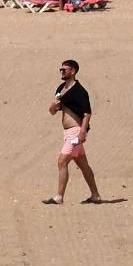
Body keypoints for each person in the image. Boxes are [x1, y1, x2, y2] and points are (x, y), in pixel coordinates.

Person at [44, 59, 104, 205]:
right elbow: (54, 111)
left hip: (76, 132)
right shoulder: (60, 89)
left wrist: (83, 131)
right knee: (83, 164)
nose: (62, 71)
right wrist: (52, 106)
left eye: (65, 69)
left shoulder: (79, 91)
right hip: (68, 133)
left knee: (62, 160)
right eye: (61, 69)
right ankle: (95, 195)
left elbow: (87, 113)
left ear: (73, 71)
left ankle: (59, 197)